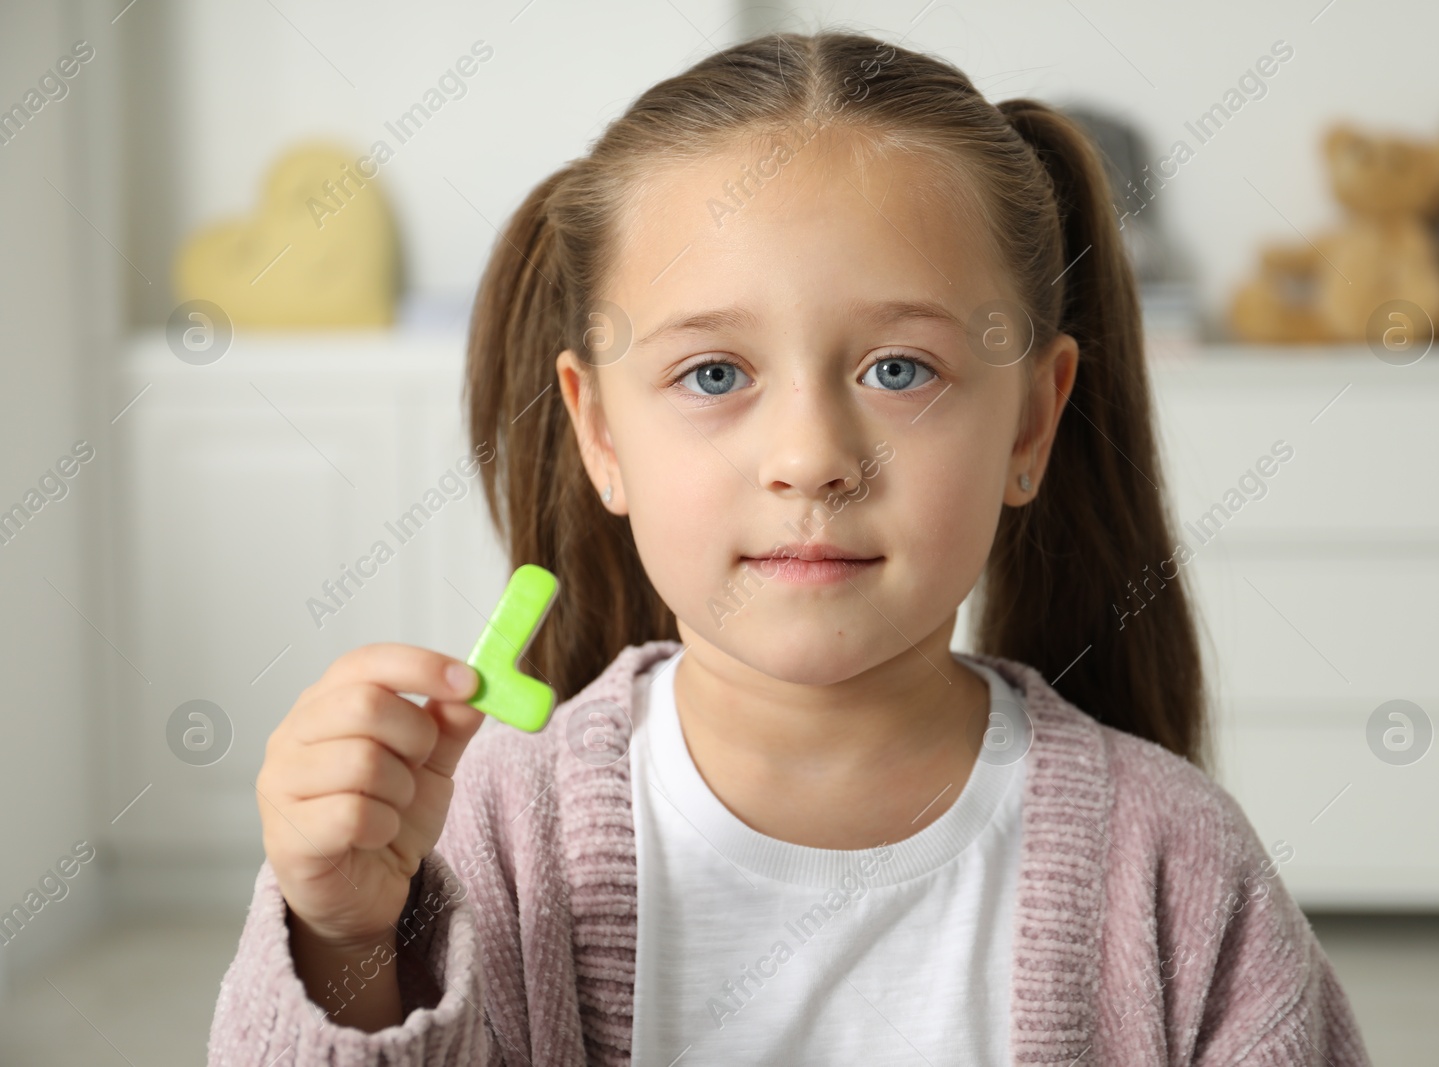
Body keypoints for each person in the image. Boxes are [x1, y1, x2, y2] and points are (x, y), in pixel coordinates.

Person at [210, 28, 1371, 1066]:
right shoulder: (487, 836)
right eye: (714, 373)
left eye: (898, 369)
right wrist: (346, 938)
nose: (811, 456)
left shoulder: (1178, 867)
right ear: (601, 431)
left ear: (1028, 421)